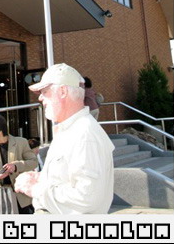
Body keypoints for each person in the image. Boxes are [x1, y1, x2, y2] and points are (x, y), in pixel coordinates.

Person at [14, 63, 115, 214]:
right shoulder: (71, 130)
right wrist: (42, 179)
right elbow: (70, 179)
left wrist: (36, 188)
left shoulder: (85, 135)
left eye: (45, 91)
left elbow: (87, 197)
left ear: (62, 91)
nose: (41, 98)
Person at [0, 114, 38, 214]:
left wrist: (16, 166)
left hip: (21, 195)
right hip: (2, 195)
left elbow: (33, 162)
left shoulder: (21, 142)